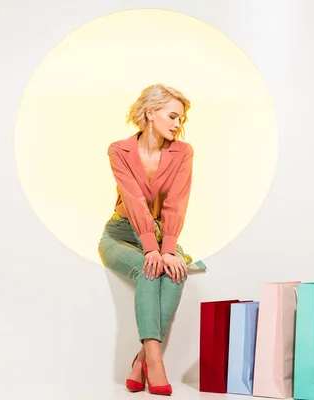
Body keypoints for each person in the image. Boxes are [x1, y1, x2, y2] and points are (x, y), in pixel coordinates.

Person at [98, 83, 195, 396]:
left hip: (157, 232)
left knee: (176, 271)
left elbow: (176, 203)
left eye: (181, 118)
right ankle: (155, 359)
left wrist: (167, 249)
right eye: (172, 115)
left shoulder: (183, 152)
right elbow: (135, 200)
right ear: (150, 113)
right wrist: (152, 251)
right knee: (148, 268)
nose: (178, 123)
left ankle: (140, 360)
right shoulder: (119, 150)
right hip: (121, 232)